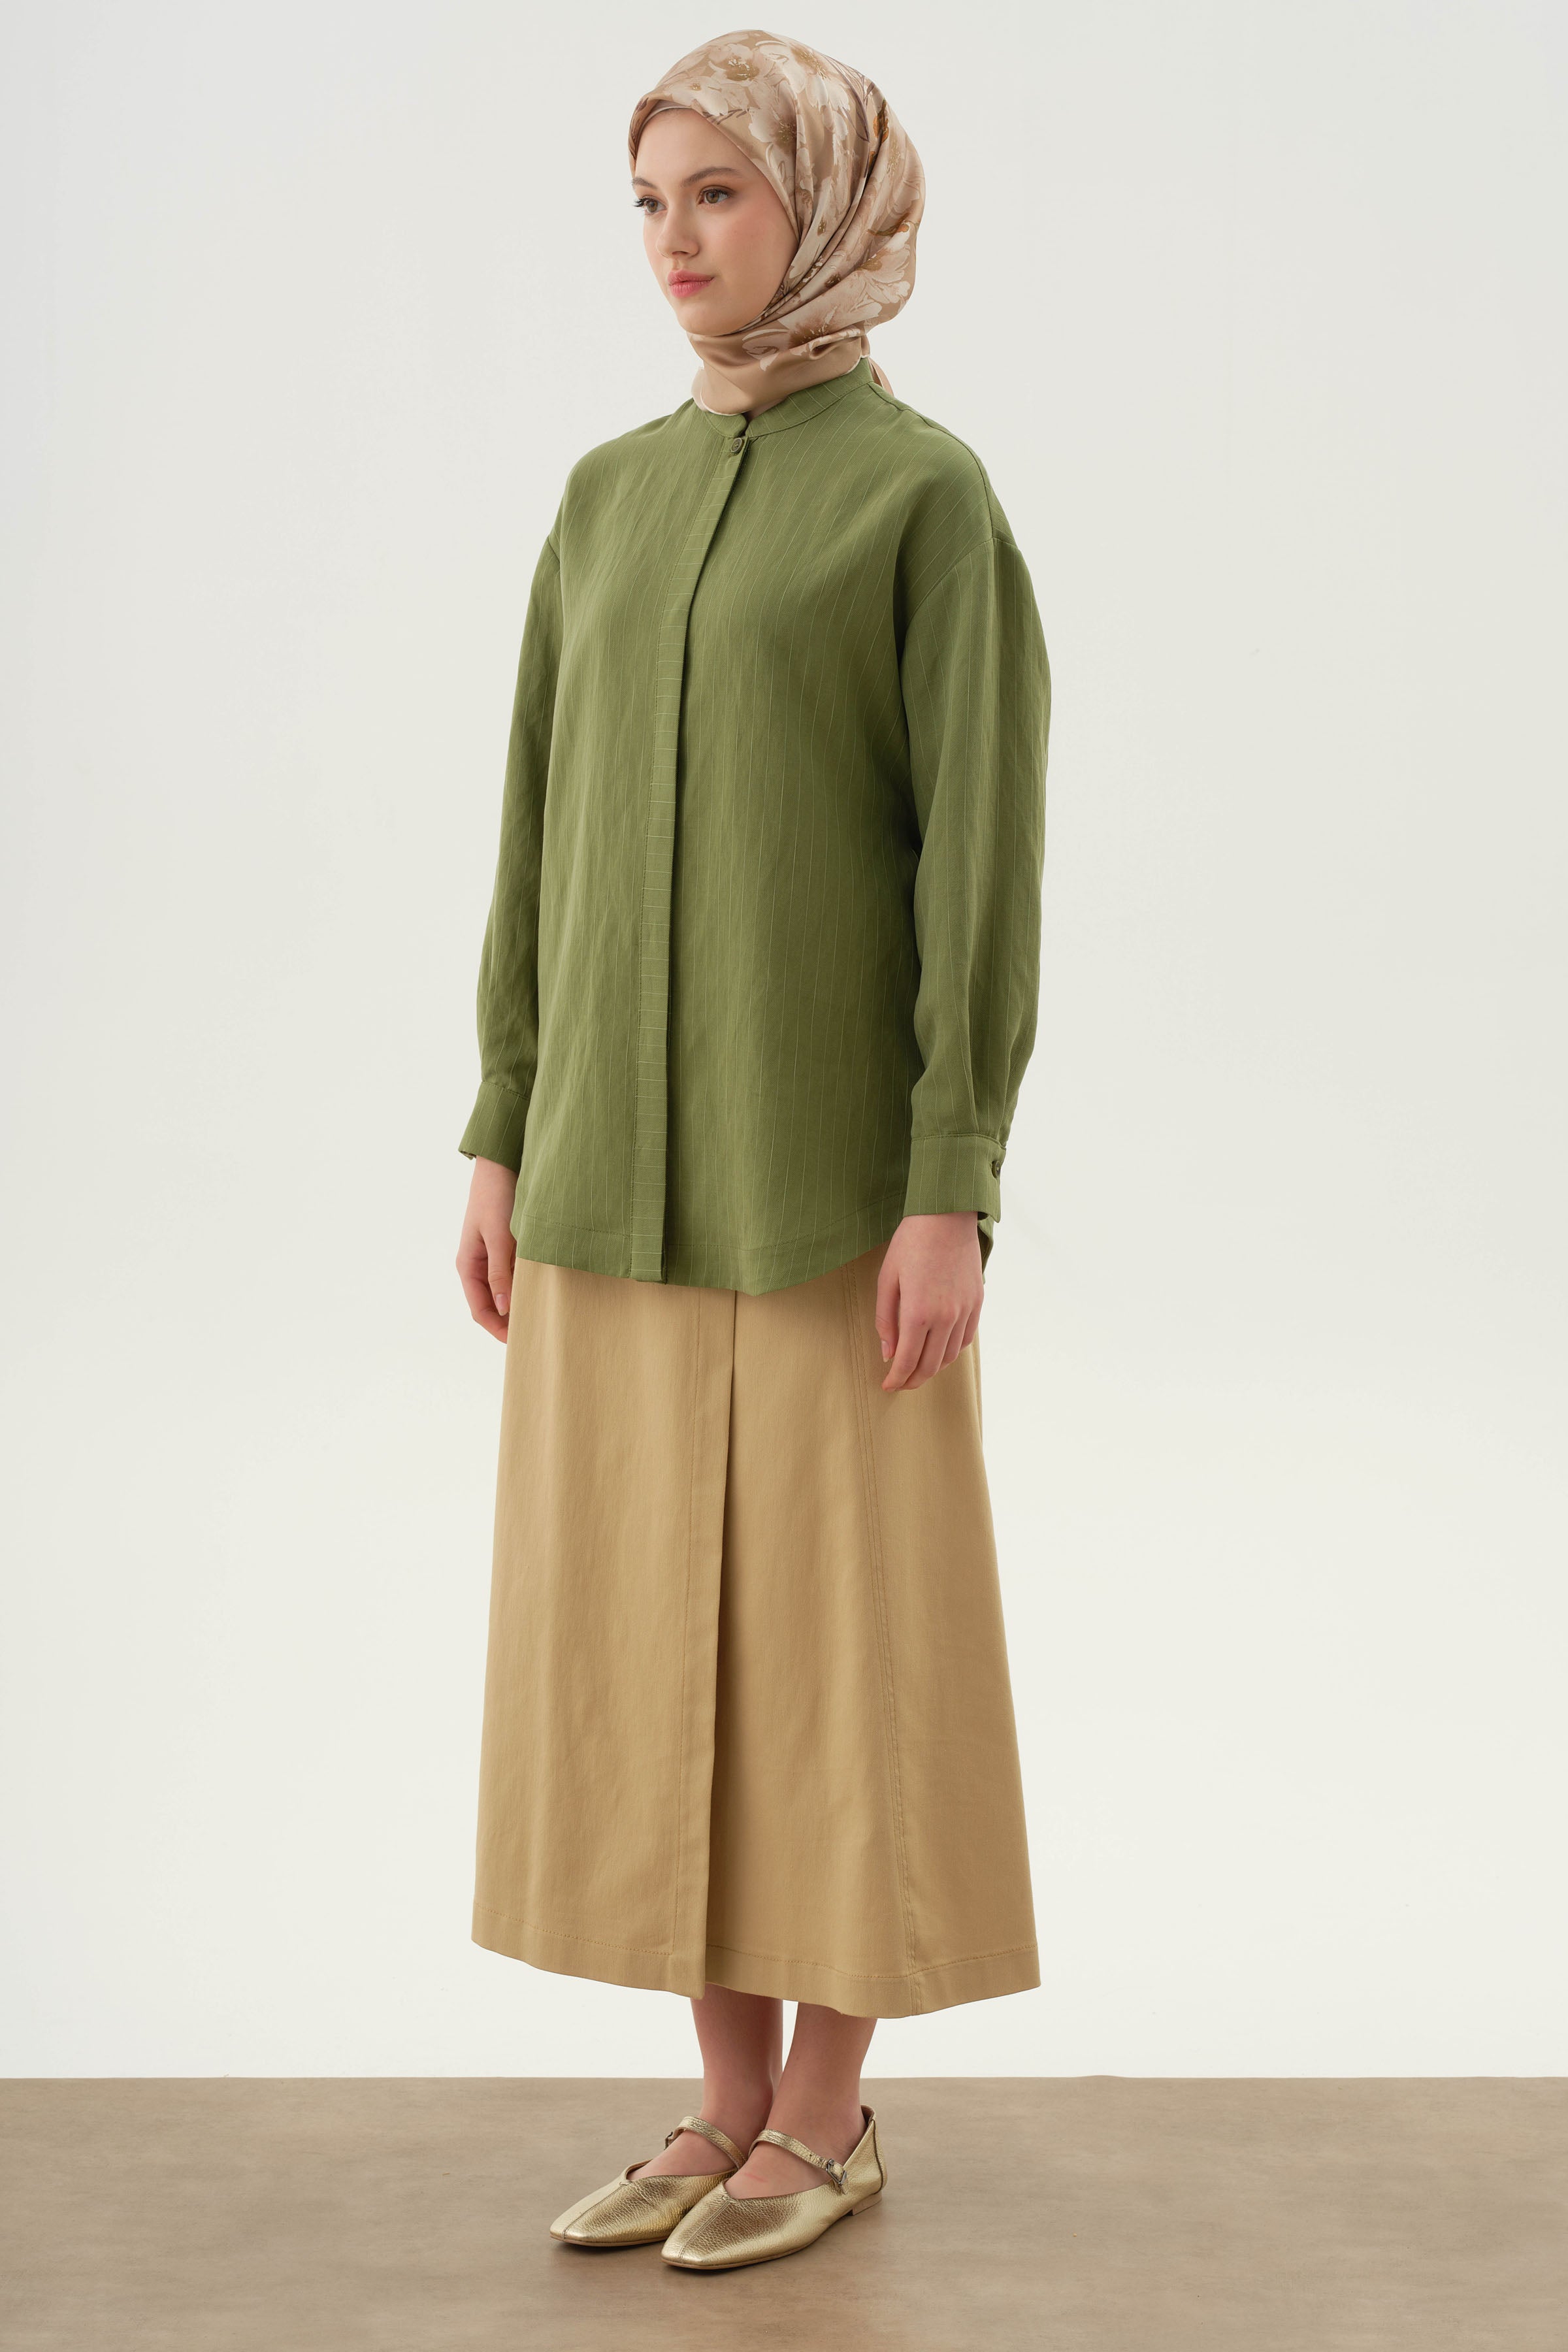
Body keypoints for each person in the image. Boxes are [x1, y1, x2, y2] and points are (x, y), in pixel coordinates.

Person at [455, 29, 1050, 2274]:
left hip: (829, 1192)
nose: (675, 241)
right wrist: (500, 1125)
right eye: (650, 199)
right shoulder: (607, 497)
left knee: (835, 1646)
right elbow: (535, 827)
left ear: (830, 207)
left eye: (718, 192)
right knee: (651, 1642)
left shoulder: (923, 498)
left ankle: (828, 2107)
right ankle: (718, 2105)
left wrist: (949, 1177)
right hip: (607, 1175)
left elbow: (978, 858)